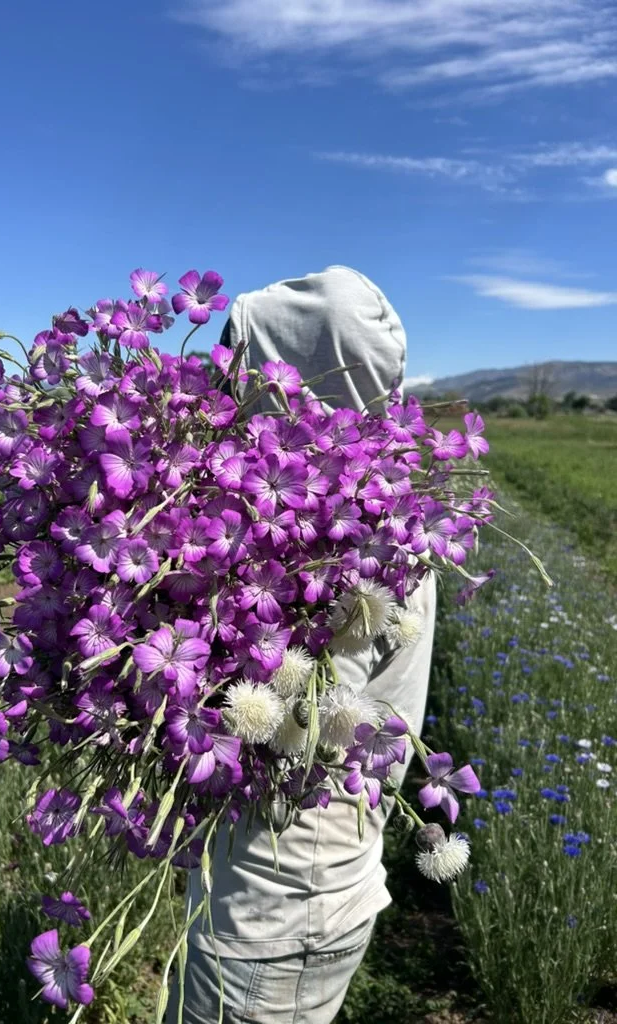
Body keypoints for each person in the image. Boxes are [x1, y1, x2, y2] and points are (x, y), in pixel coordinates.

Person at [167, 266, 437, 1024]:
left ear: (298, 378)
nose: (223, 375)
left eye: (241, 353)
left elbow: (285, 718)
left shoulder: (354, 550)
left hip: (278, 910)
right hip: (283, 892)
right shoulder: (381, 518)